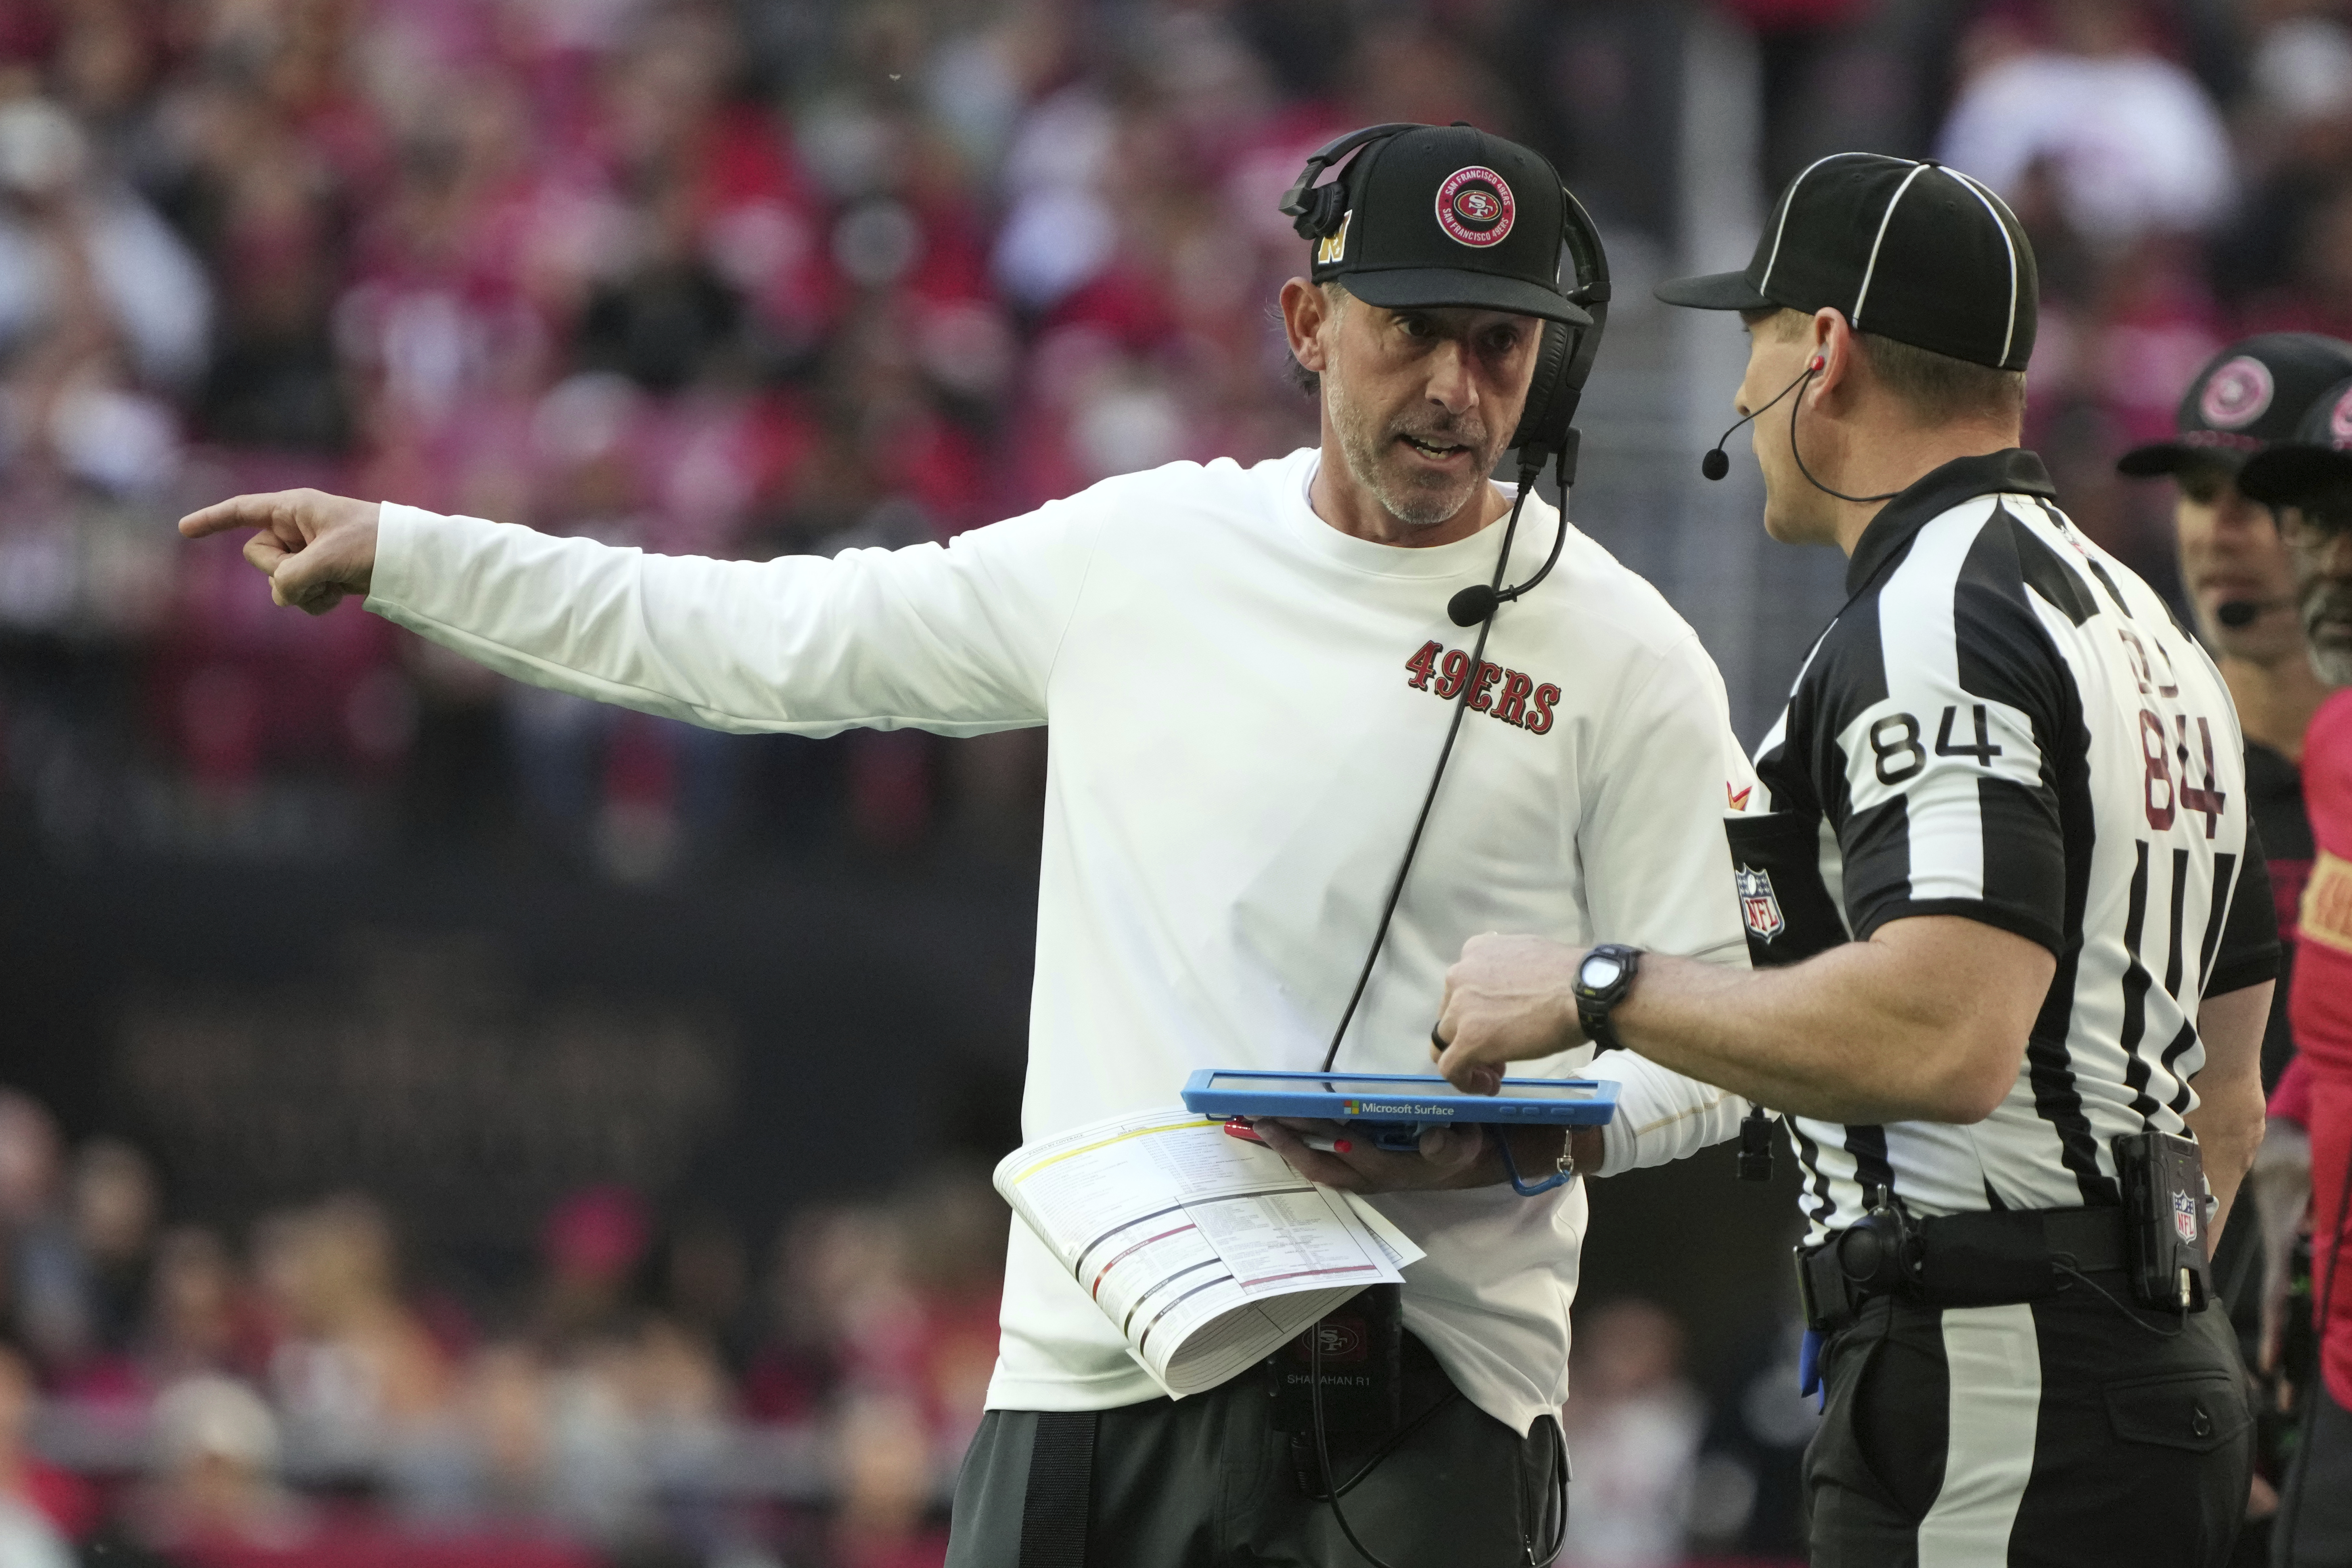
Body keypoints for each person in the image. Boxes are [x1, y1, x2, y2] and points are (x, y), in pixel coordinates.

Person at [178, 123, 1758, 1566]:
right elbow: (760, 637)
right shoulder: (1138, 556)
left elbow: (1727, 1038)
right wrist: (417, 556)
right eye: (1413, 332)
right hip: (1087, 1373)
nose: (1457, 392)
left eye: (1502, 348)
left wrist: (1531, 1133)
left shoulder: (1626, 654)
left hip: (1427, 1400)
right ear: (1306, 327)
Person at [1433, 151, 2281, 1567]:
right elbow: (2229, 1094)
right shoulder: (2151, 628)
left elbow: (1948, 1032)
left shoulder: (1945, 613)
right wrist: (2149, 1290)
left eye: (1752, 340)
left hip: (1997, 1376)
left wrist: (1599, 984)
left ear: (1820, 353)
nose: (1737, 396)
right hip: (2118, 1367)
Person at [2115, 333, 2352, 1555]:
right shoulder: (2130, 770)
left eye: (2267, 499)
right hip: (2172, 1337)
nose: (2222, 530)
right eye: (2200, 492)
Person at [2228, 393, 2352, 1566]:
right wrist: (2284, 1252)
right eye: (2319, 525)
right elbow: (2330, 1045)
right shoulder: (2337, 748)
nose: (2334, 564)